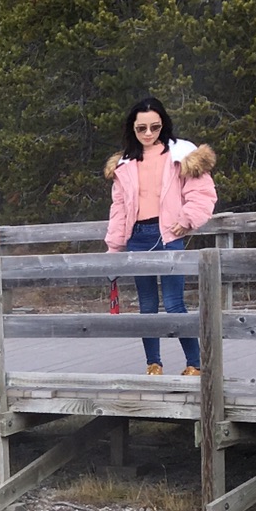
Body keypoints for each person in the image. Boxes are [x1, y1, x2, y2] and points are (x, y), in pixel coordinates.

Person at [104, 97, 218, 375]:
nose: (148, 134)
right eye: (141, 128)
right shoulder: (125, 163)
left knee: (175, 303)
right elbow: (119, 207)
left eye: (154, 127)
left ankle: (195, 364)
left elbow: (203, 193)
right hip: (137, 237)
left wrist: (187, 219)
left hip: (168, 235)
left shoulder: (182, 155)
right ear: (132, 128)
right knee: (147, 305)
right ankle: (153, 363)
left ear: (163, 124)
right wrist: (115, 246)